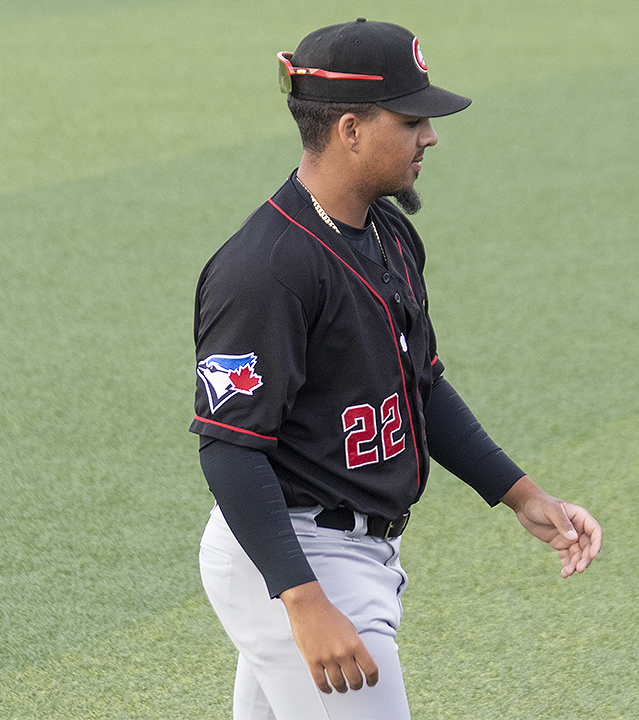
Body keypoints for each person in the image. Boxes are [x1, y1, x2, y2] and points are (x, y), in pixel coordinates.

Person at [191, 18, 602, 720]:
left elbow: (421, 385)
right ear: (350, 129)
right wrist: (304, 599)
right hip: (296, 556)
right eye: (412, 120)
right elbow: (230, 448)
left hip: (345, 553)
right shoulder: (268, 270)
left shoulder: (387, 233)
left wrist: (522, 495)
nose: (430, 136)